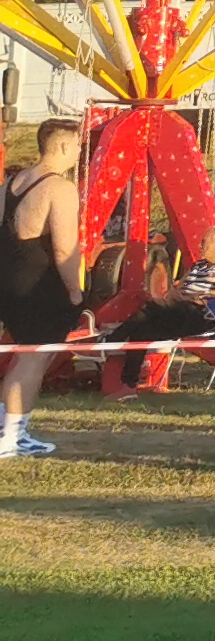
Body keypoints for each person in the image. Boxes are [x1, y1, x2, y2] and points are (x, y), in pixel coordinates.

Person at [0, 123, 89, 460]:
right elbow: (66, 248)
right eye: (78, 145)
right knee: (34, 358)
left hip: (8, 279)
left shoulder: (10, 184)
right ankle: (12, 437)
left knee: (23, 357)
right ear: (63, 147)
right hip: (39, 284)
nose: (79, 152)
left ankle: (7, 428)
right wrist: (75, 293)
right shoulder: (60, 189)